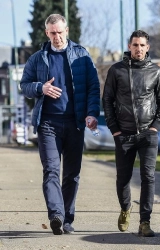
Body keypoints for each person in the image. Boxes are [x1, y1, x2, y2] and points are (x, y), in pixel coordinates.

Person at [20, 14, 100, 235]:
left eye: (60, 32)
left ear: (67, 31)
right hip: (48, 123)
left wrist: (92, 113)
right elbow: (24, 85)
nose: (57, 37)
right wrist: (40, 88)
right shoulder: (37, 58)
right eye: (52, 33)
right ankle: (56, 214)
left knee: (72, 174)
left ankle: (67, 219)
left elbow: (93, 87)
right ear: (47, 33)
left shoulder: (81, 56)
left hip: (75, 123)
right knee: (51, 170)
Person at [102, 30, 160, 237]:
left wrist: (155, 125)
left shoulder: (156, 71)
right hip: (124, 135)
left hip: (148, 134)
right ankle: (125, 208)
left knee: (148, 177)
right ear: (129, 47)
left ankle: (145, 222)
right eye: (135, 45)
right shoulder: (116, 70)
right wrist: (115, 130)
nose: (138, 49)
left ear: (147, 48)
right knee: (123, 178)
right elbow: (107, 101)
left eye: (142, 45)